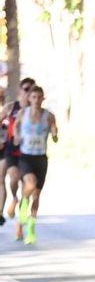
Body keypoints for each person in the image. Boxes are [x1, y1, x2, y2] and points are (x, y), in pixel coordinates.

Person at [13, 84, 59, 245]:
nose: (36, 100)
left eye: (39, 97)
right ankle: (22, 215)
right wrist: (17, 136)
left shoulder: (49, 116)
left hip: (41, 159)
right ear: (29, 98)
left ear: (43, 99)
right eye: (33, 97)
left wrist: (54, 133)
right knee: (30, 185)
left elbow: (55, 136)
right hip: (26, 157)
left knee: (36, 196)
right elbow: (16, 128)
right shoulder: (22, 113)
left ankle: (30, 228)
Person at [1, 77, 37, 225]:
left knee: (28, 186)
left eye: (32, 90)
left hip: (29, 151)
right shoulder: (11, 107)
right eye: (26, 89)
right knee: (13, 178)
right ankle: (14, 198)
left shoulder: (36, 111)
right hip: (12, 149)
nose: (29, 93)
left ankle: (22, 219)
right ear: (20, 91)